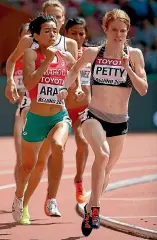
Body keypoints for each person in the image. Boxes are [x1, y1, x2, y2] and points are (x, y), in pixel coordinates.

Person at [57, 9, 148, 236]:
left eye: (123, 30)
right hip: (93, 116)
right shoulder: (93, 54)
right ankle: (95, 209)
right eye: (114, 29)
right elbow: (73, 71)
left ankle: (89, 206)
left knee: (106, 173)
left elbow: (143, 89)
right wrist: (64, 87)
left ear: (127, 32)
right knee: (102, 154)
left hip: (120, 122)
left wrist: (127, 67)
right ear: (105, 29)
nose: (118, 34)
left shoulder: (135, 55)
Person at [5, 0, 82, 222]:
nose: (54, 26)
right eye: (50, 19)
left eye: (58, 20)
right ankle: (21, 200)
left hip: (59, 112)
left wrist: (75, 89)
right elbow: (16, 66)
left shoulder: (69, 47)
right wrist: (10, 81)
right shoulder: (29, 44)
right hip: (32, 109)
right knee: (29, 164)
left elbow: (74, 71)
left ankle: (51, 198)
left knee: (57, 147)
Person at [64, 17, 91, 203]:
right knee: (55, 149)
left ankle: (79, 179)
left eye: (81, 33)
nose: (78, 36)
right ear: (66, 33)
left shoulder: (92, 54)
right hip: (61, 109)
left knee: (83, 142)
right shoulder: (58, 53)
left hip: (83, 109)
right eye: (73, 33)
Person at [12, 23, 31, 184]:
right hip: (22, 112)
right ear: (20, 38)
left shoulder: (41, 57)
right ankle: (20, 197)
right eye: (25, 34)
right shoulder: (14, 61)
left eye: (31, 34)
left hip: (40, 113)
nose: (29, 37)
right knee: (20, 159)